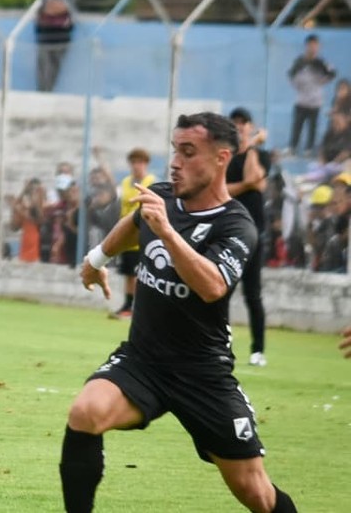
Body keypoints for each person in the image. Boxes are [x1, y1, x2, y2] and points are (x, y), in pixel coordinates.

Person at [63, 112, 296, 513]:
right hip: (144, 362)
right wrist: (97, 258)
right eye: (175, 150)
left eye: (189, 152)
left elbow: (213, 286)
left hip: (203, 374)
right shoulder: (163, 196)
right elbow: (134, 222)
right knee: (86, 411)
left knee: (256, 493)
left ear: (222, 158)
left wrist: (168, 232)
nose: (175, 162)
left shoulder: (237, 225)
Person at [227, 108, 271, 367]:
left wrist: (252, 147)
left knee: (253, 295)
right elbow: (223, 189)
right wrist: (246, 185)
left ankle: (258, 350)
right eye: (235, 122)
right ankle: (221, 346)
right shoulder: (225, 157)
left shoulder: (260, 155)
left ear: (250, 126)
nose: (240, 126)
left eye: (244, 122)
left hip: (254, 234)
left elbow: (256, 179)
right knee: (221, 292)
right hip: (229, 233)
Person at [112, 148, 156, 319]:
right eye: (134, 162)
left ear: (146, 164)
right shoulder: (125, 182)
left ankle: (139, 308)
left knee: (140, 274)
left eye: (140, 162)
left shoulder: (151, 182)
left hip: (143, 234)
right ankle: (127, 305)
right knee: (129, 274)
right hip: (126, 234)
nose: (136, 166)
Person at [287, 34, 336, 156]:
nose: (313, 48)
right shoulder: (299, 61)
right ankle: (292, 147)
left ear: (318, 47)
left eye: (315, 45)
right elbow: (291, 74)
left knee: (312, 127)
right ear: (306, 46)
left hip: (315, 102)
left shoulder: (321, 63)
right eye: (311, 45)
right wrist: (299, 86)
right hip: (301, 100)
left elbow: (332, 73)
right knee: (297, 125)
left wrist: (322, 81)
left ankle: (309, 149)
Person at [35, 0, 75, 92]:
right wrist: (54, 8)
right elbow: (46, 9)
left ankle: (50, 89)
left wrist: (54, 7)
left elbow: (62, 8)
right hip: (45, 36)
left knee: (56, 65)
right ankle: (42, 90)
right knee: (43, 65)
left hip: (62, 36)